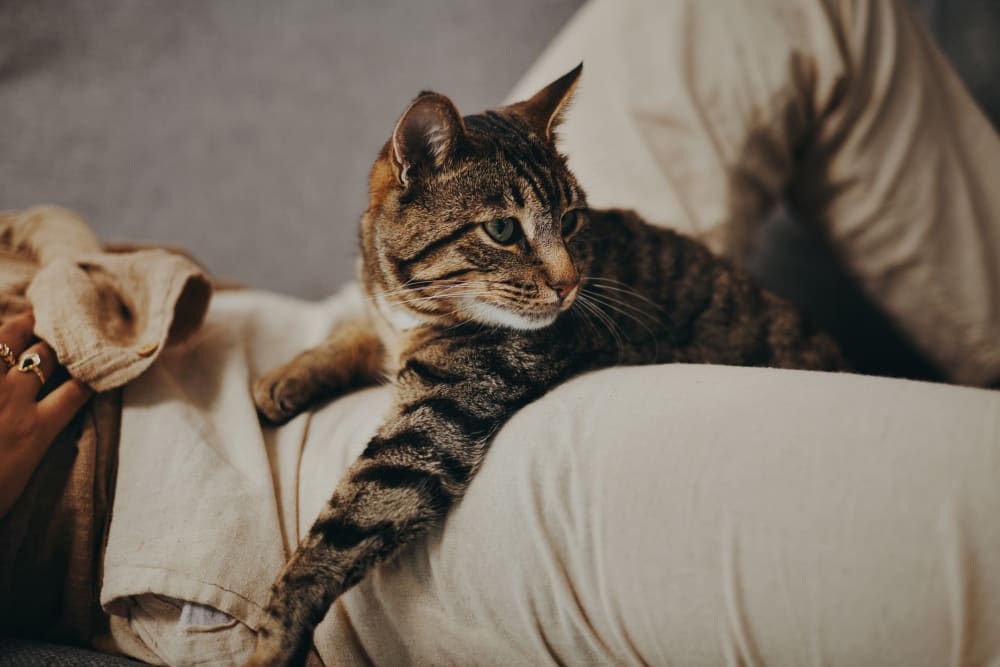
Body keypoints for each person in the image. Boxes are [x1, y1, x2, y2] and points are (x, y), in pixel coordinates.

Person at [2, 0, 999, 664]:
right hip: (262, 486)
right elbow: (433, 429)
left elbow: (530, 253)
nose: (565, 274)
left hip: (365, 310)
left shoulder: (507, 242)